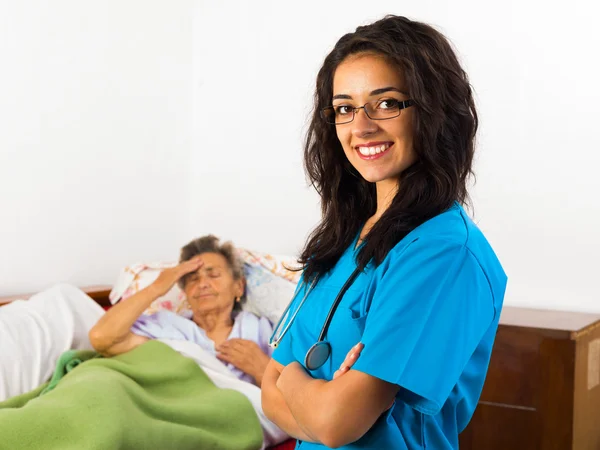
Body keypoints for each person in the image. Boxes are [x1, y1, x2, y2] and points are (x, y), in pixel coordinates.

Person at [261, 15, 507, 450]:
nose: (361, 127)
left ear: (434, 111)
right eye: (344, 108)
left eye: (387, 103)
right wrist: (316, 399)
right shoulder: (340, 239)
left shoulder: (443, 253)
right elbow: (268, 390)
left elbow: (337, 424)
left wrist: (296, 381)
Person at [90, 234, 273, 386]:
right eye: (192, 279)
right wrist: (157, 287)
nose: (202, 284)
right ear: (185, 292)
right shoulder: (167, 327)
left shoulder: (261, 331)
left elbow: (293, 398)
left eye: (213, 275)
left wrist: (261, 368)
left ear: (238, 286)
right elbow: (102, 337)